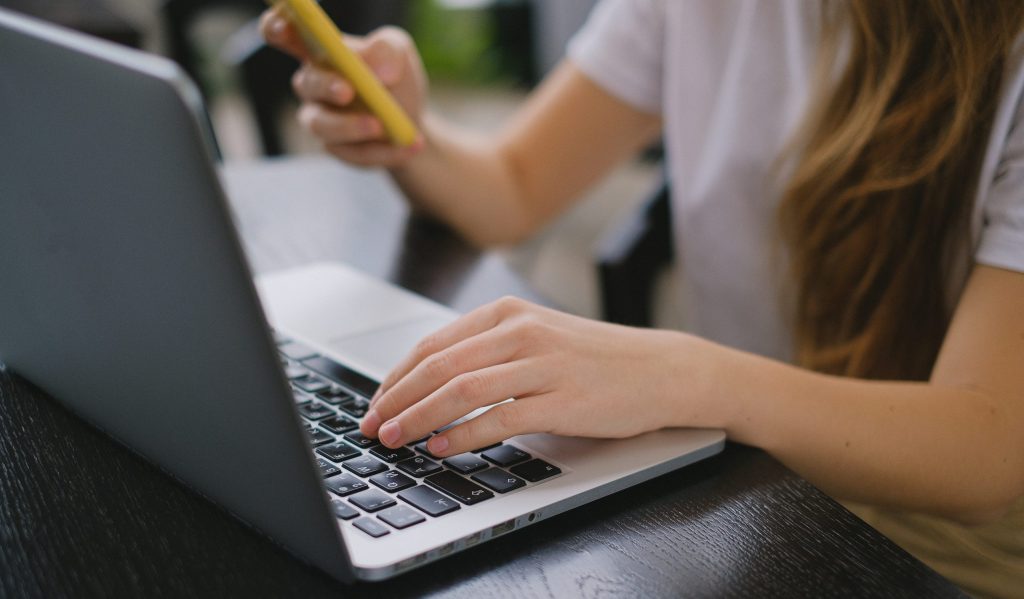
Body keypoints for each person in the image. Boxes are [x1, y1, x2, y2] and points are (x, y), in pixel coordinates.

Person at [261, 2, 1024, 596]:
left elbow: (986, 452)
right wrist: (406, 130)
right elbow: (513, 187)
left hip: (939, 552)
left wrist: (689, 377)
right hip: (762, 489)